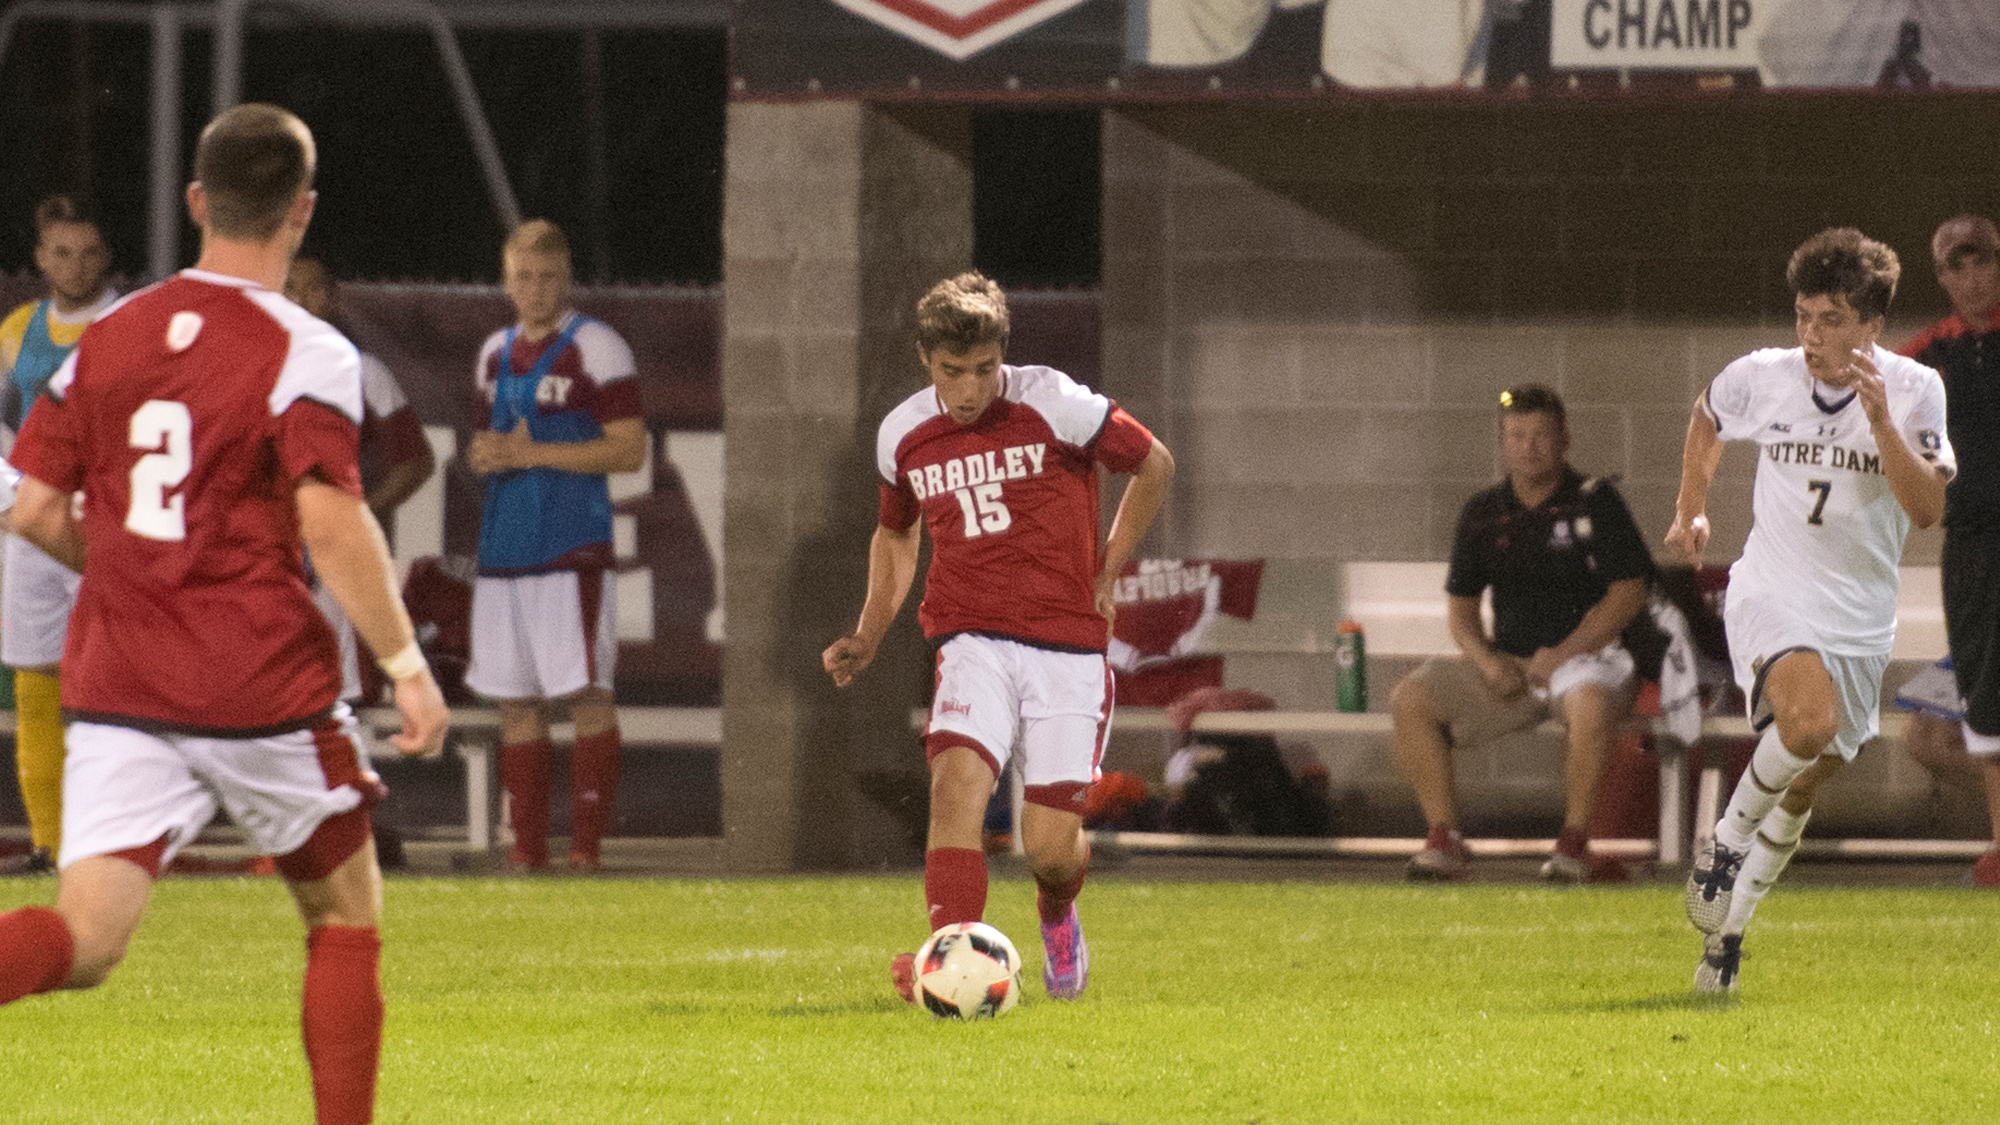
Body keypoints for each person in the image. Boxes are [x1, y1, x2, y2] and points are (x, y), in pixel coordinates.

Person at [0, 104, 449, 1123]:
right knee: (344, 914)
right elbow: (331, 521)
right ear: (302, 210)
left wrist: (132, 572)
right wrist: (406, 666)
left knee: (84, 940)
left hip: (120, 684)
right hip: (258, 684)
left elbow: (32, 509)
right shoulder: (307, 349)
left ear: (198, 201)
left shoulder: (109, 336)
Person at [821, 272, 1175, 1003]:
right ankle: (950, 963)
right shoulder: (903, 434)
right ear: (926, 358)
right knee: (955, 790)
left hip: (1065, 646)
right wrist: (869, 630)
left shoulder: (1054, 401)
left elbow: (1154, 463)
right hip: (970, 639)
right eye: (952, 371)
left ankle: (1057, 911)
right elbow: (897, 535)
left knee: (1047, 848)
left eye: (984, 368)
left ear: (1001, 355)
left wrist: (1107, 568)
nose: (970, 388)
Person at [1669, 227, 1953, 993]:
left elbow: (1927, 510)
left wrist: (1881, 422)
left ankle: (1727, 938)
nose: (1812, 335)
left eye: (1831, 319)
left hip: (1858, 617)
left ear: (1872, 325)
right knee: (1806, 723)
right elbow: (1708, 415)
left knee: (1801, 779)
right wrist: (1692, 505)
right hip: (1772, 589)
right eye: (1803, 316)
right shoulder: (1764, 375)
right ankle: (1725, 842)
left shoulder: (1916, 389)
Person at [1391, 384, 1652, 884]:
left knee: (1589, 703)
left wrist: (1564, 652)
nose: (1528, 447)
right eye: (1516, 436)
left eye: (1540, 435)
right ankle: (1445, 838)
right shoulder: (1482, 512)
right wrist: (1488, 661)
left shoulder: (1595, 501)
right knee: (1411, 698)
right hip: (1512, 666)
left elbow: (1628, 594)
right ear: (1503, 443)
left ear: (1564, 441)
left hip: (1588, 661)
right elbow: (1461, 613)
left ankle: (1573, 845)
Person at [464, 219, 644, 873]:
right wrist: (487, 455)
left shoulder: (598, 346)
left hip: (572, 549)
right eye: (523, 277)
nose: (535, 289)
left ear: (566, 279)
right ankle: (528, 853)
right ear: (506, 280)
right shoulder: (494, 351)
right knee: (515, 701)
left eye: (547, 277)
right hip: (503, 552)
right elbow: (489, 442)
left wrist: (531, 452)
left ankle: (586, 851)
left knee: (586, 693)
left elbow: (629, 449)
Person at [0, 195, 115, 876]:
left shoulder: (129, 323)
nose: (76, 265)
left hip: (104, 518)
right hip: (30, 521)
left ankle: (110, 843)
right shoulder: (17, 329)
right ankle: (49, 843)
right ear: (40, 258)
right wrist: (8, 500)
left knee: (110, 682)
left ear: (109, 257)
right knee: (37, 685)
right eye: (62, 252)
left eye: (90, 251)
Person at [1895, 214, 2000, 887]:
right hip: (1973, 549)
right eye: (1955, 267)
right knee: (1967, 710)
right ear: (1940, 277)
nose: (1971, 278)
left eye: (1981, 261)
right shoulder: (1924, 358)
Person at [285, 256, 438, 704]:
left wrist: (358, 516)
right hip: (272, 561)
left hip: (339, 569)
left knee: (345, 700)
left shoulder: (362, 370)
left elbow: (415, 462)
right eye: (292, 288)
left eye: (314, 289)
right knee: (273, 700)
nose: (303, 299)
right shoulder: (256, 371)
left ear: (332, 297)